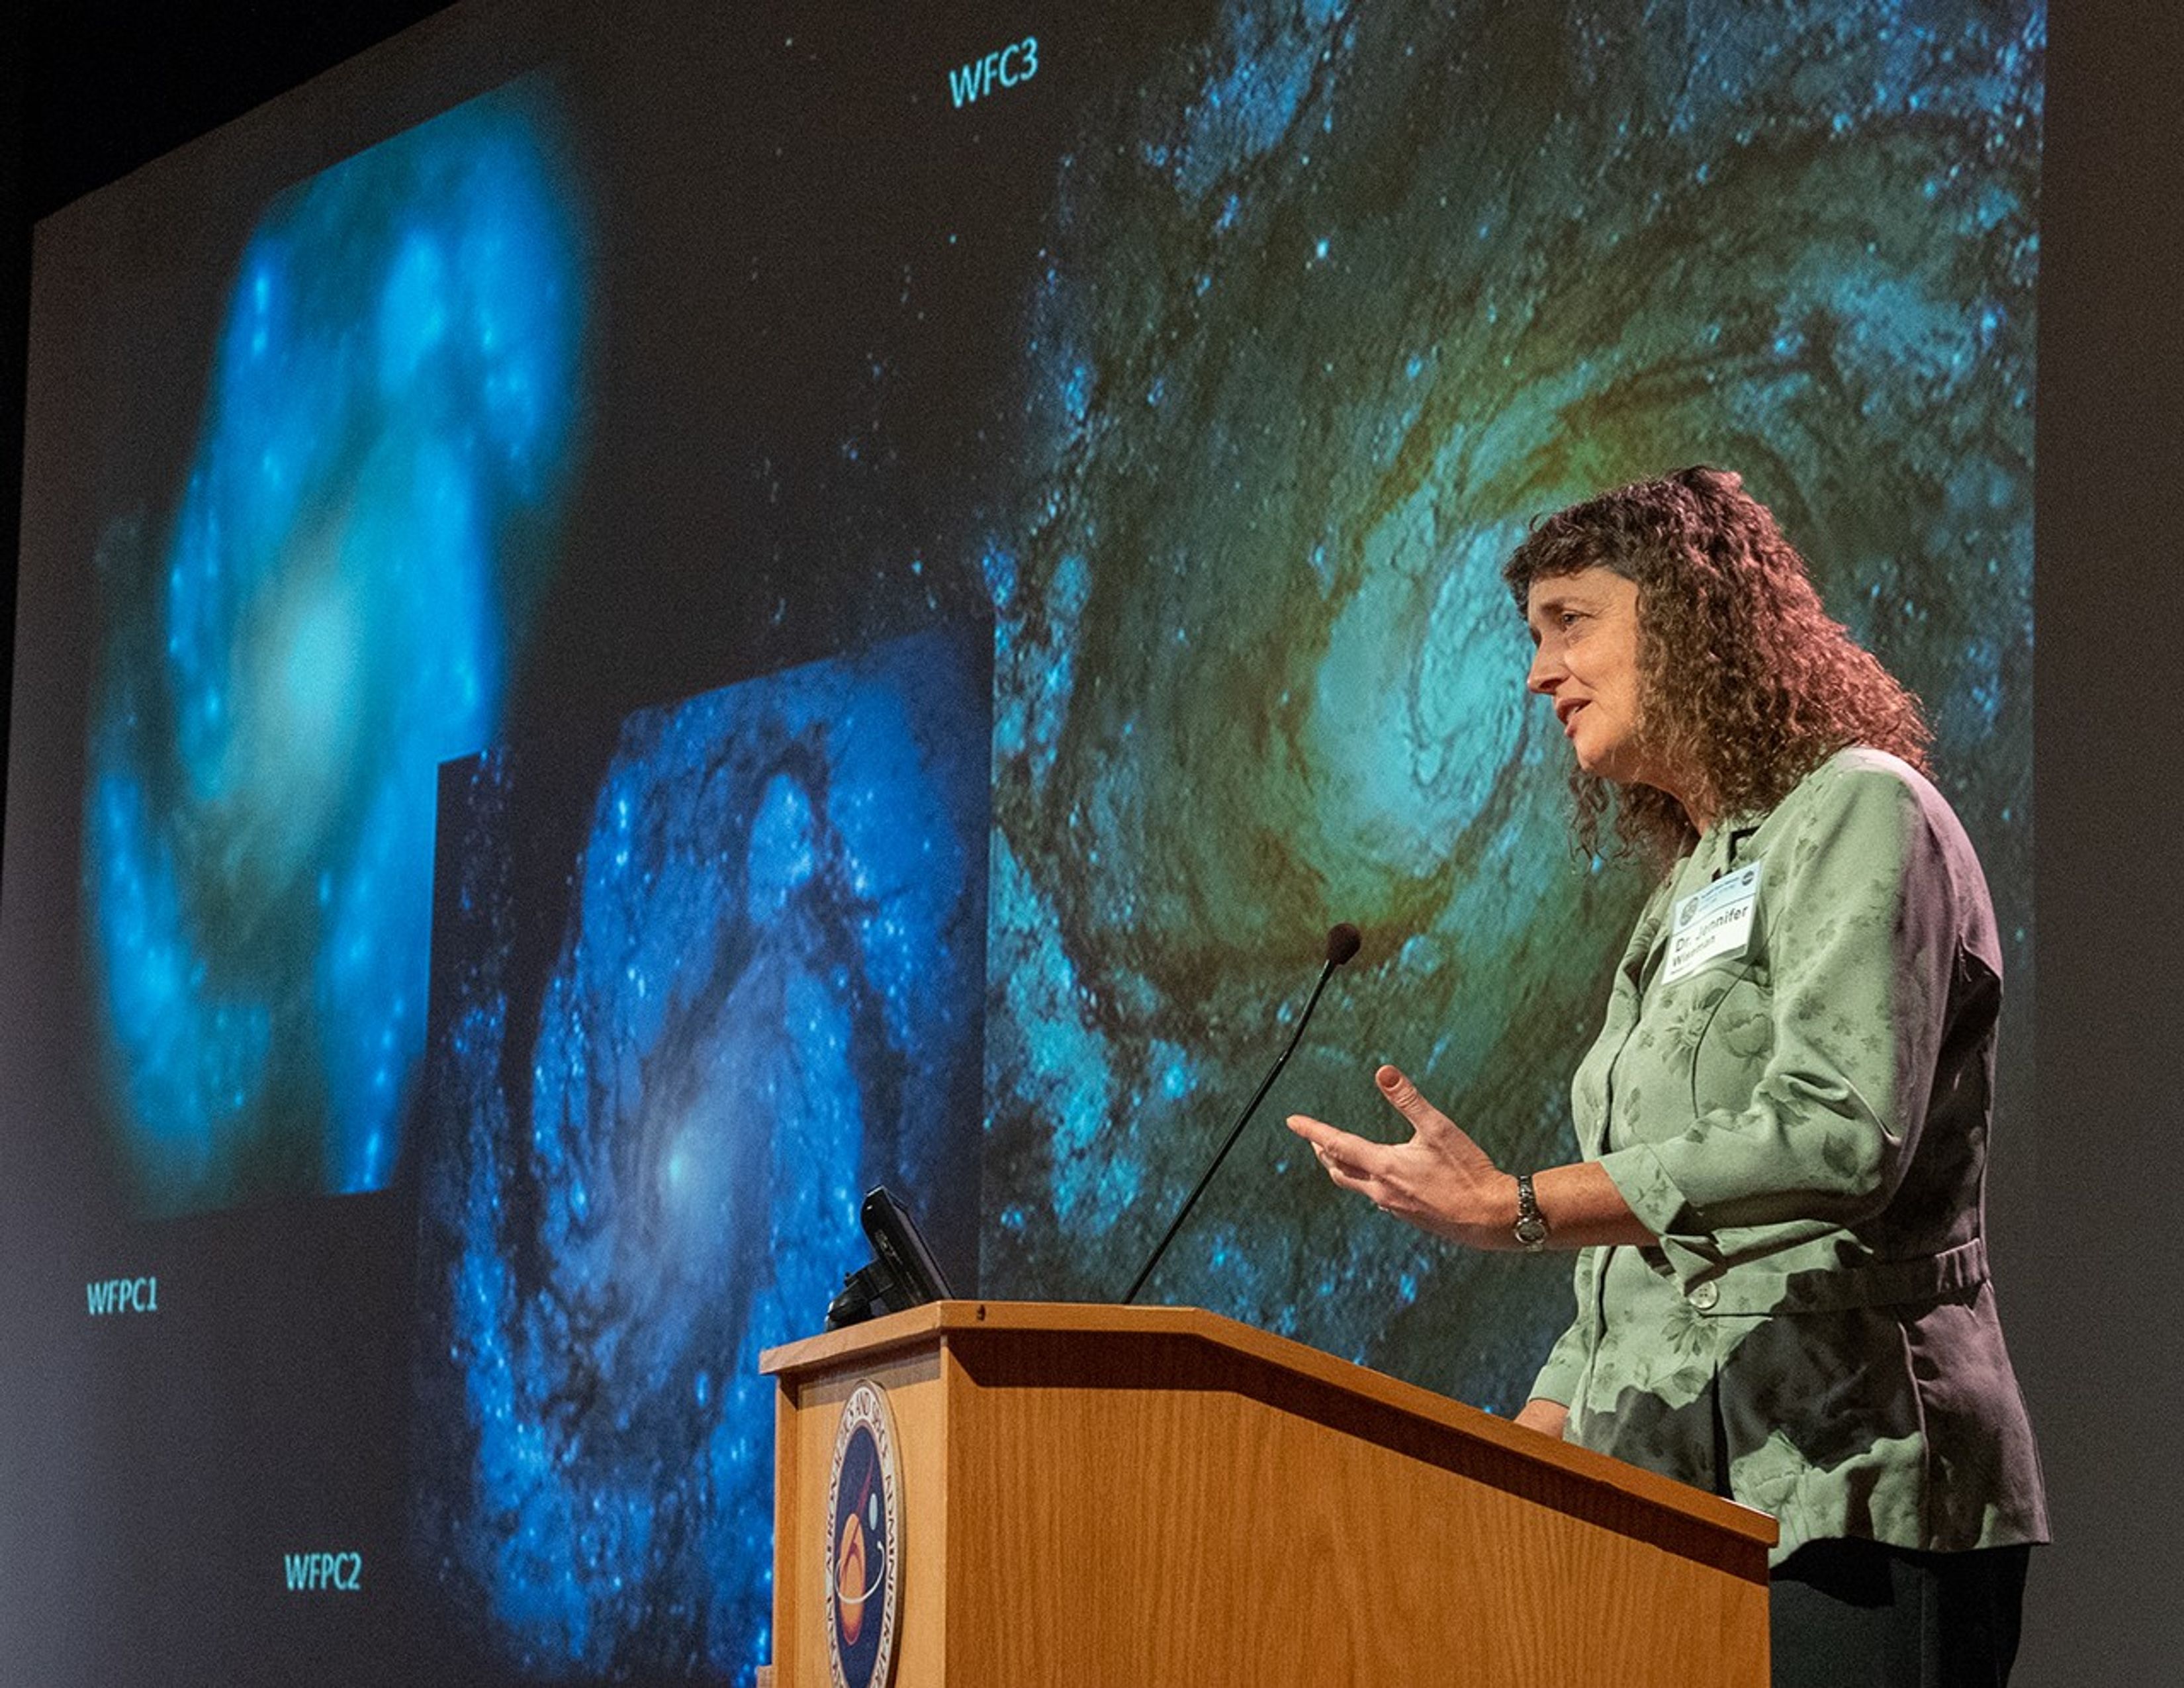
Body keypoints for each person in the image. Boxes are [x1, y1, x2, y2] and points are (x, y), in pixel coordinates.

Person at [1285, 467, 2047, 1687]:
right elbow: (1645, 1254)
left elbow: (1839, 1131)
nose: (1539, 673)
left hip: (1846, 1497)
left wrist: (1517, 1204)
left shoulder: (1862, 811)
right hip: (1671, 1517)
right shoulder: (1690, 887)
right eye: (1533, 635)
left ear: (1691, 619)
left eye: (1570, 623)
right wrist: (1528, 1443)